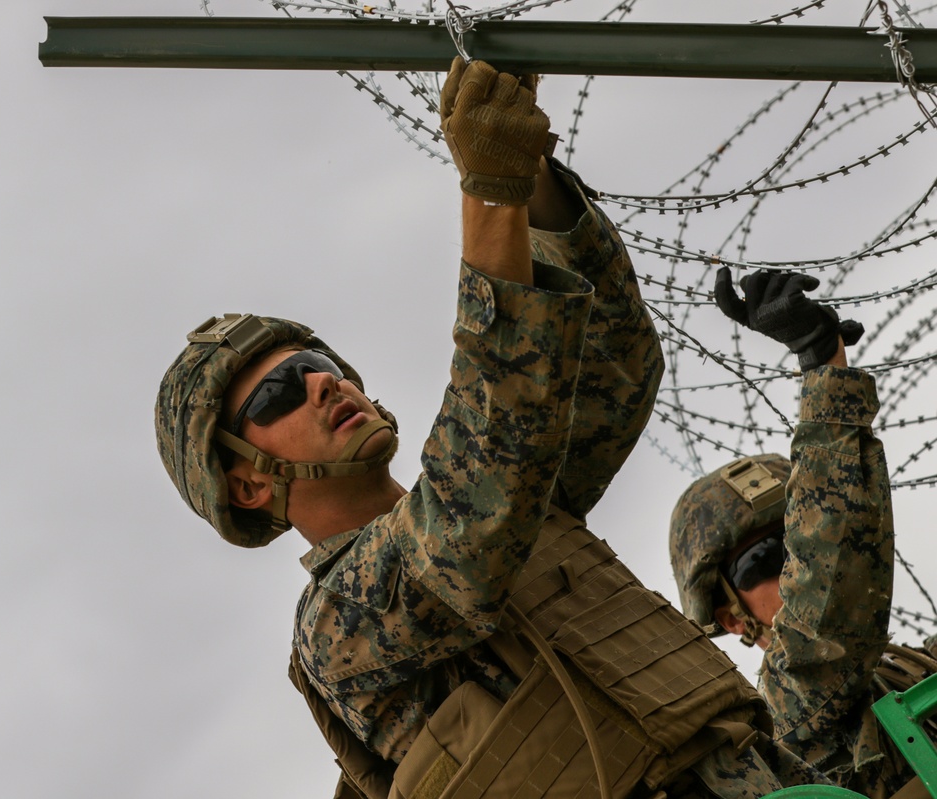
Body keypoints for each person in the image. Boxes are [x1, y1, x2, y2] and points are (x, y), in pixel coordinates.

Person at [155, 58, 829, 799]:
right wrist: (489, 194)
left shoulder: (524, 503)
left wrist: (528, 175)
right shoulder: (338, 626)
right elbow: (475, 493)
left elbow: (613, 365)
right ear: (249, 481)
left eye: (318, 361)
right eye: (279, 391)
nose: (323, 381)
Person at [669, 268, 937, 798]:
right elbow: (828, 588)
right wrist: (823, 365)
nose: (795, 560)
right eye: (766, 556)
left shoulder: (908, 665)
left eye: (796, 539)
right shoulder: (791, 707)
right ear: (731, 616)